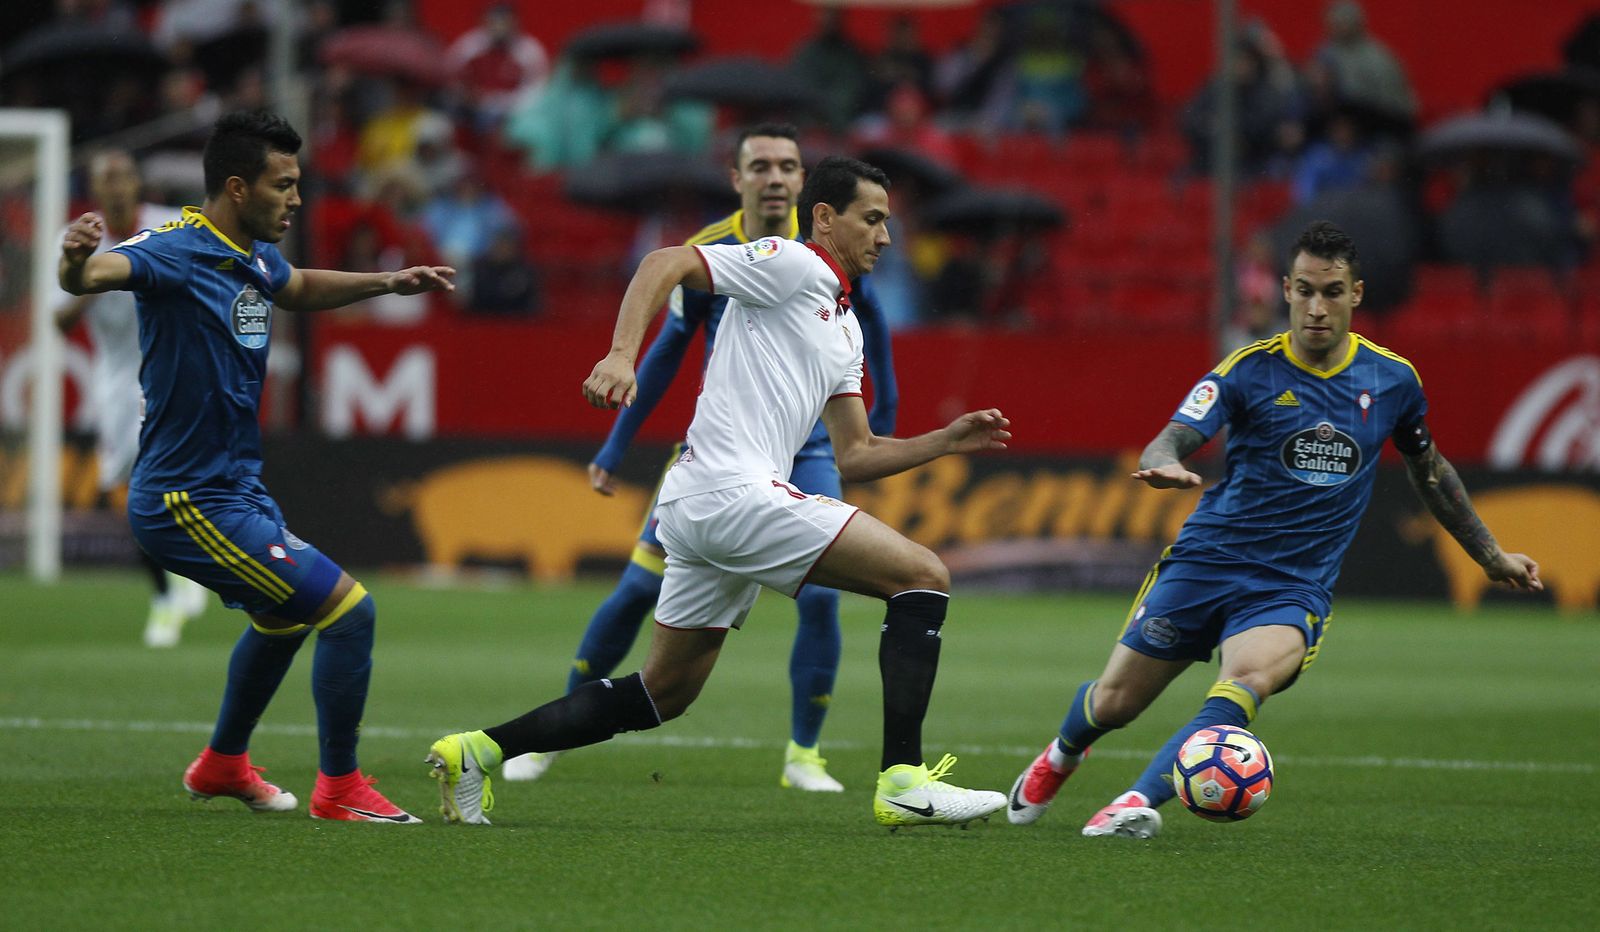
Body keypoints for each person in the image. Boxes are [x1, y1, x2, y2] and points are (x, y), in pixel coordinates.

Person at [429, 156, 1010, 828]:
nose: (885, 236)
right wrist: (621, 354)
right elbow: (663, 263)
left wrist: (944, 440)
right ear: (824, 218)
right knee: (923, 577)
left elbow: (857, 452)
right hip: (732, 492)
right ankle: (904, 779)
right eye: (872, 219)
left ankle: (477, 749)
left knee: (663, 693)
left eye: (888, 222)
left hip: (703, 503)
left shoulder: (844, 323)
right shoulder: (792, 262)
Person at [1005, 221, 1542, 839]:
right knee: (1116, 702)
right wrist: (1165, 460)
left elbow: (1430, 469)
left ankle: (1134, 802)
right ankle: (1060, 756)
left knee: (1246, 680)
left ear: (1356, 294)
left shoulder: (1393, 381)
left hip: (1292, 584)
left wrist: (1489, 554)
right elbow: (1177, 432)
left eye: (1333, 292)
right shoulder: (1247, 370)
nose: (1318, 308)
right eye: (1306, 291)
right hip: (1207, 561)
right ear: (1285, 290)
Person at [58, 110, 456, 823]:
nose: (297, 198)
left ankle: (222, 765)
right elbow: (95, 276)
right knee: (349, 611)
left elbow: (296, 285)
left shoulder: (254, 255)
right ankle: (339, 789)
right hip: (185, 498)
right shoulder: (172, 250)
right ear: (238, 188)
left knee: (283, 620)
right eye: (285, 184)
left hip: (235, 486)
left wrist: (389, 282)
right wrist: (72, 258)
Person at [498, 124, 899, 792]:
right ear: (736, 178)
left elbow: (873, 338)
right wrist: (616, 444)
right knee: (636, 589)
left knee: (823, 602)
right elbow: (671, 346)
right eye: (760, 166)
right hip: (727, 455)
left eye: (788, 167)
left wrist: (880, 429)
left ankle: (804, 754)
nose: (775, 177)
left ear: (806, 185)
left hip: (811, 450)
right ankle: (550, 739)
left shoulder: (836, 252)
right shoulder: (711, 251)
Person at [52, 150, 207, 648]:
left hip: (173, 368)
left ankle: (180, 581)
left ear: (137, 182)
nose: (116, 185)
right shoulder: (78, 239)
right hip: (117, 379)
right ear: (95, 187)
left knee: (175, 477)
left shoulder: (168, 226)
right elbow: (59, 320)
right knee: (135, 491)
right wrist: (86, 272)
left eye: (123, 175)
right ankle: (167, 590)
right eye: (106, 177)